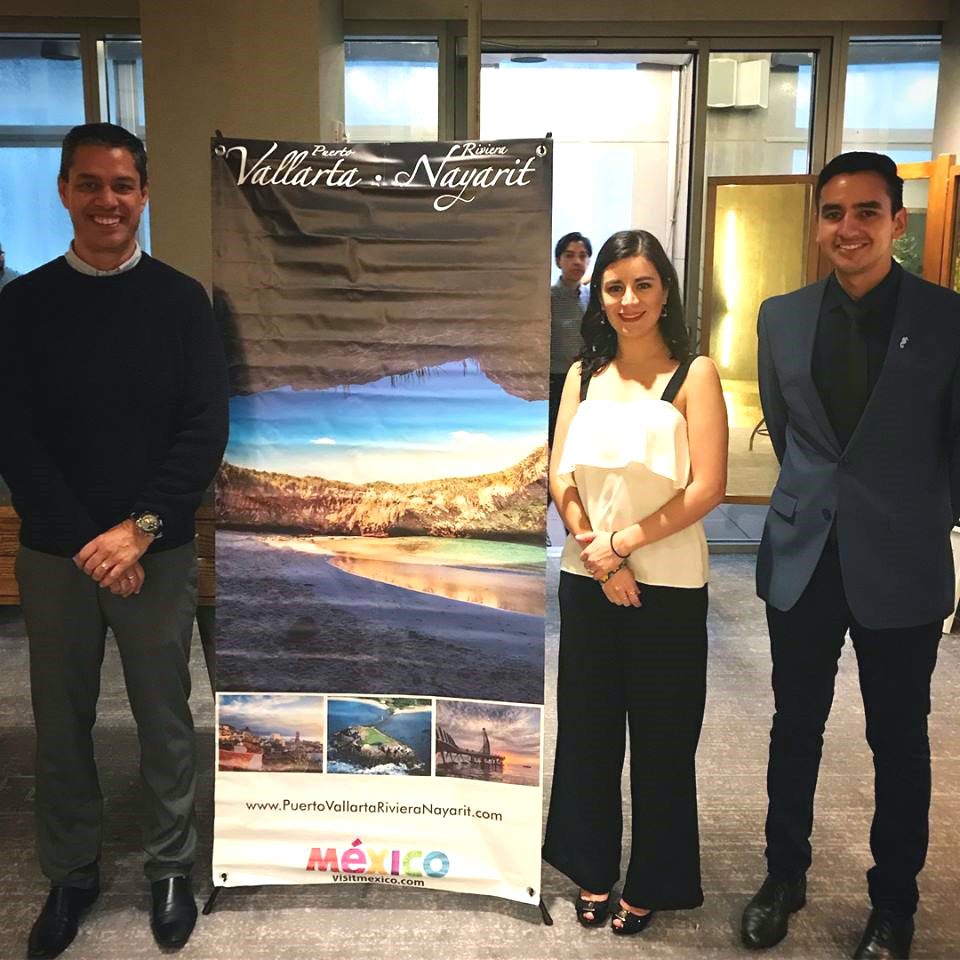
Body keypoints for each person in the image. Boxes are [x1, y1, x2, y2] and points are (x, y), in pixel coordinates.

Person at [0, 122, 228, 958]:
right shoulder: (21, 307)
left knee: (166, 718)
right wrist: (91, 545)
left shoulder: (182, 301)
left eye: (122, 185)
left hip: (154, 553)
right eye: (90, 184)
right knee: (60, 722)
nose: (108, 200)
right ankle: (70, 874)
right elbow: (14, 436)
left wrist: (138, 532)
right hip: (57, 554)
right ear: (64, 190)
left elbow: (204, 428)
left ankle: (170, 868)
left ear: (144, 193)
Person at [741, 151, 960, 960]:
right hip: (804, 556)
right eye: (833, 213)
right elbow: (791, 431)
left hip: (901, 561)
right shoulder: (781, 317)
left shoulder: (946, 319)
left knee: (898, 738)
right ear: (818, 224)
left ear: (897, 221)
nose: (849, 227)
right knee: (794, 725)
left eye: (867, 211)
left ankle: (894, 903)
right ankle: (783, 876)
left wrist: (918, 517)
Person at [542, 229, 727, 935]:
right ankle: (590, 867)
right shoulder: (582, 375)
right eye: (614, 286)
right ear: (599, 295)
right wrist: (604, 559)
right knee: (588, 732)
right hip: (587, 577)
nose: (628, 299)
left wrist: (622, 545)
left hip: (669, 585)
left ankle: (653, 879)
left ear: (665, 292)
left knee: (663, 739)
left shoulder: (695, 375)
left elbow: (708, 487)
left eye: (643, 285)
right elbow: (559, 474)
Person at [549, 231, 592, 447]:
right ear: (558, 261)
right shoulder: (547, 298)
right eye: (570, 255)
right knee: (556, 437)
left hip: (587, 379)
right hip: (555, 379)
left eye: (583, 256)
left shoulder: (593, 298)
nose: (577, 261)